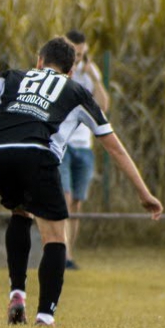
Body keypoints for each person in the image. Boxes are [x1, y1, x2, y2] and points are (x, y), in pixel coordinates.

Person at [0, 36, 162, 327]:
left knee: (20, 211)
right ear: (71, 72)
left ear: (39, 62)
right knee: (56, 237)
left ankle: (17, 293)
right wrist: (144, 194)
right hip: (36, 153)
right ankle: (45, 317)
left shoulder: (14, 76)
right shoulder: (77, 91)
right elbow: (115, 148)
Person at [59, 30, 110, 270]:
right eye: (75, 54)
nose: (78, 58)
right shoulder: (58, 69)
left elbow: (103, 106)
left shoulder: (90, 72)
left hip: (84, 145)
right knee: (65, 198)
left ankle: (70, 251)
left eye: (82, 54)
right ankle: (64, 254)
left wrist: (94, 78)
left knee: (76, 203)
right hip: (63, 144)